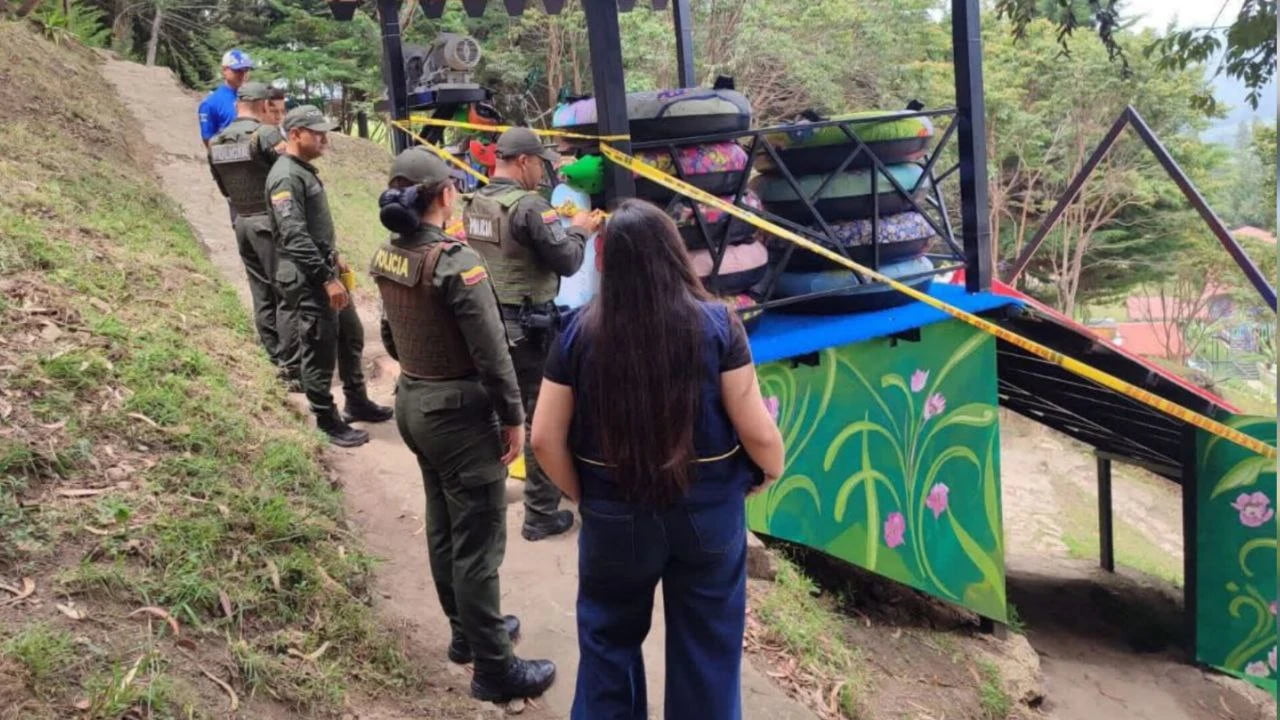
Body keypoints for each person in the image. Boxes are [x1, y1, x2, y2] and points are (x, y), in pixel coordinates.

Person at [530, 199, 785, 718]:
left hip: (613, 516)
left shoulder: (578, 332)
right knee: (708, 651)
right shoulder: (719, 324)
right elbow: (756, 428)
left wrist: (584, 493)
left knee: (608, 645)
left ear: (604, 261)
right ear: (676, 256)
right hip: (708, 513)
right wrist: (769, 471)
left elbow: (543, 438)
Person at [371, 148, 557, 703]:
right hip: (458, 415)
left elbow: (389, 334)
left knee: (443, 524)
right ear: (445, 195)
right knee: (477, 541)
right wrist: (514, 418)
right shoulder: (457, 263)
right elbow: (494, 354)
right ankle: (495, 670)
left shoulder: (389, 255)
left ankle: (468, 634)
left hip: (414, 401)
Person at [460, 126, 602, 542]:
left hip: (488, 323)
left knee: (499, 410)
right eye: (539, 162)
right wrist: (579, 228)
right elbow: (568, 261)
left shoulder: (476, 200)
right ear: (523, 161)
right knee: (541, 416)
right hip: (531, 330)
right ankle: (540, 513)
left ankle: (487, 497)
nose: (543, 172)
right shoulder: (530, 208)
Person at [266, 105, 393, 447]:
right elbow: (293, 236)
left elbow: (312, 227)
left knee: (350, 334)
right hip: (309, 278)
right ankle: (325, 418)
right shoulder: (286, 176)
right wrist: (326, 277)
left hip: (324, 269)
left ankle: (356, 400)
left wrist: (335, 258)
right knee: (319, 347)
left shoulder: (302, 170)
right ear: (295, 135)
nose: (325, 138)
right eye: (317, 132)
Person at [207, 81, 299, 390]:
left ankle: (273, 358)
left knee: (261, 292)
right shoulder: (267, 134)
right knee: (287, 292)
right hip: (269, 221)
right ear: (263, 106)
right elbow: (291, 173)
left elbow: (223, 189)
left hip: (242, 223)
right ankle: (292, 366)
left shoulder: (217, 141)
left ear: (237, 105)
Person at [198, 49, 254, 146]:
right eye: (237, 70)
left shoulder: (256, 98)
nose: (243, 74)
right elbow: (208, 140)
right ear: (224, 70)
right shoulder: (211, 103)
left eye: (246, 70)